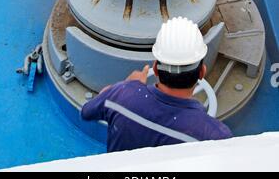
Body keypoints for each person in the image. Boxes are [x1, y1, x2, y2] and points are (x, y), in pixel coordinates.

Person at [81, 17, 232, 153]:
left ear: (155, 69)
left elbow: (86, 112)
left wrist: (126, 87)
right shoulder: (215, 136)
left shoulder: (120, 95)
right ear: (201, 73)